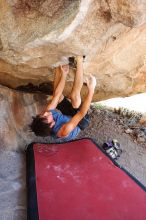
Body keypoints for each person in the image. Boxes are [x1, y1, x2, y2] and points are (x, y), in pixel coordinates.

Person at [30, 56, 96, 143]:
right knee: (75, 98)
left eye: (42, 114)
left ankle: (58, 68)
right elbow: (81, 113)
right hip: (80, 122)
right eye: (46, 116)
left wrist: (63, 74)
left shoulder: (47, 115)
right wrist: (91, 90)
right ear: (51, 125)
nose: (45, 113)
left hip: (67, 116)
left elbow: (57, 95)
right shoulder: (64, 130)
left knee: (58, 97)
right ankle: (80, 60)